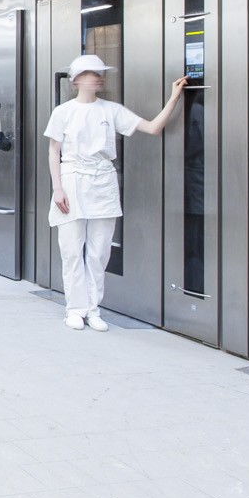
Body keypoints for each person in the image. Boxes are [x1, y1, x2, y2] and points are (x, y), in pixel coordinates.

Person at [45, 54, 184, 332]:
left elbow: (153, 128)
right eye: (91, 73)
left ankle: (93, 310)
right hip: (72, 179)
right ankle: (75, 309)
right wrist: (57, 188)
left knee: (99, 251)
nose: (98, 77)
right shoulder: (63, 111)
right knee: (72, 249)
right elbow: (54, 150)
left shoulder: (111, 110)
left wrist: (174, 97)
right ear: (76, 80)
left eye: (100, 73)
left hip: (103, 181)